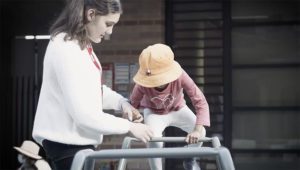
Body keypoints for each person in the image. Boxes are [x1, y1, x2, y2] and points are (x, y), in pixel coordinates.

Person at [32, 0, 153, 169]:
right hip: (67, 146)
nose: (110, 31)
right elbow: (85, 116)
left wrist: (121, 103)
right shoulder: (66, 48)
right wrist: (129, 126)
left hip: (75, 145)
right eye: (108, 24)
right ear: (91, 15)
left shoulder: (81, 45)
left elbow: (90, 90)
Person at [130, 43, 211, 170]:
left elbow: (200, 101)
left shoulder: (180, 75)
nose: (158, 83)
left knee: (202, 132)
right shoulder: (142, 84)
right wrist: (134, 116)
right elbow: (132, 105)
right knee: (153, 139)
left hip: (178, 109)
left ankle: (189, 156)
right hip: (154, 112)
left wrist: (196, 130)